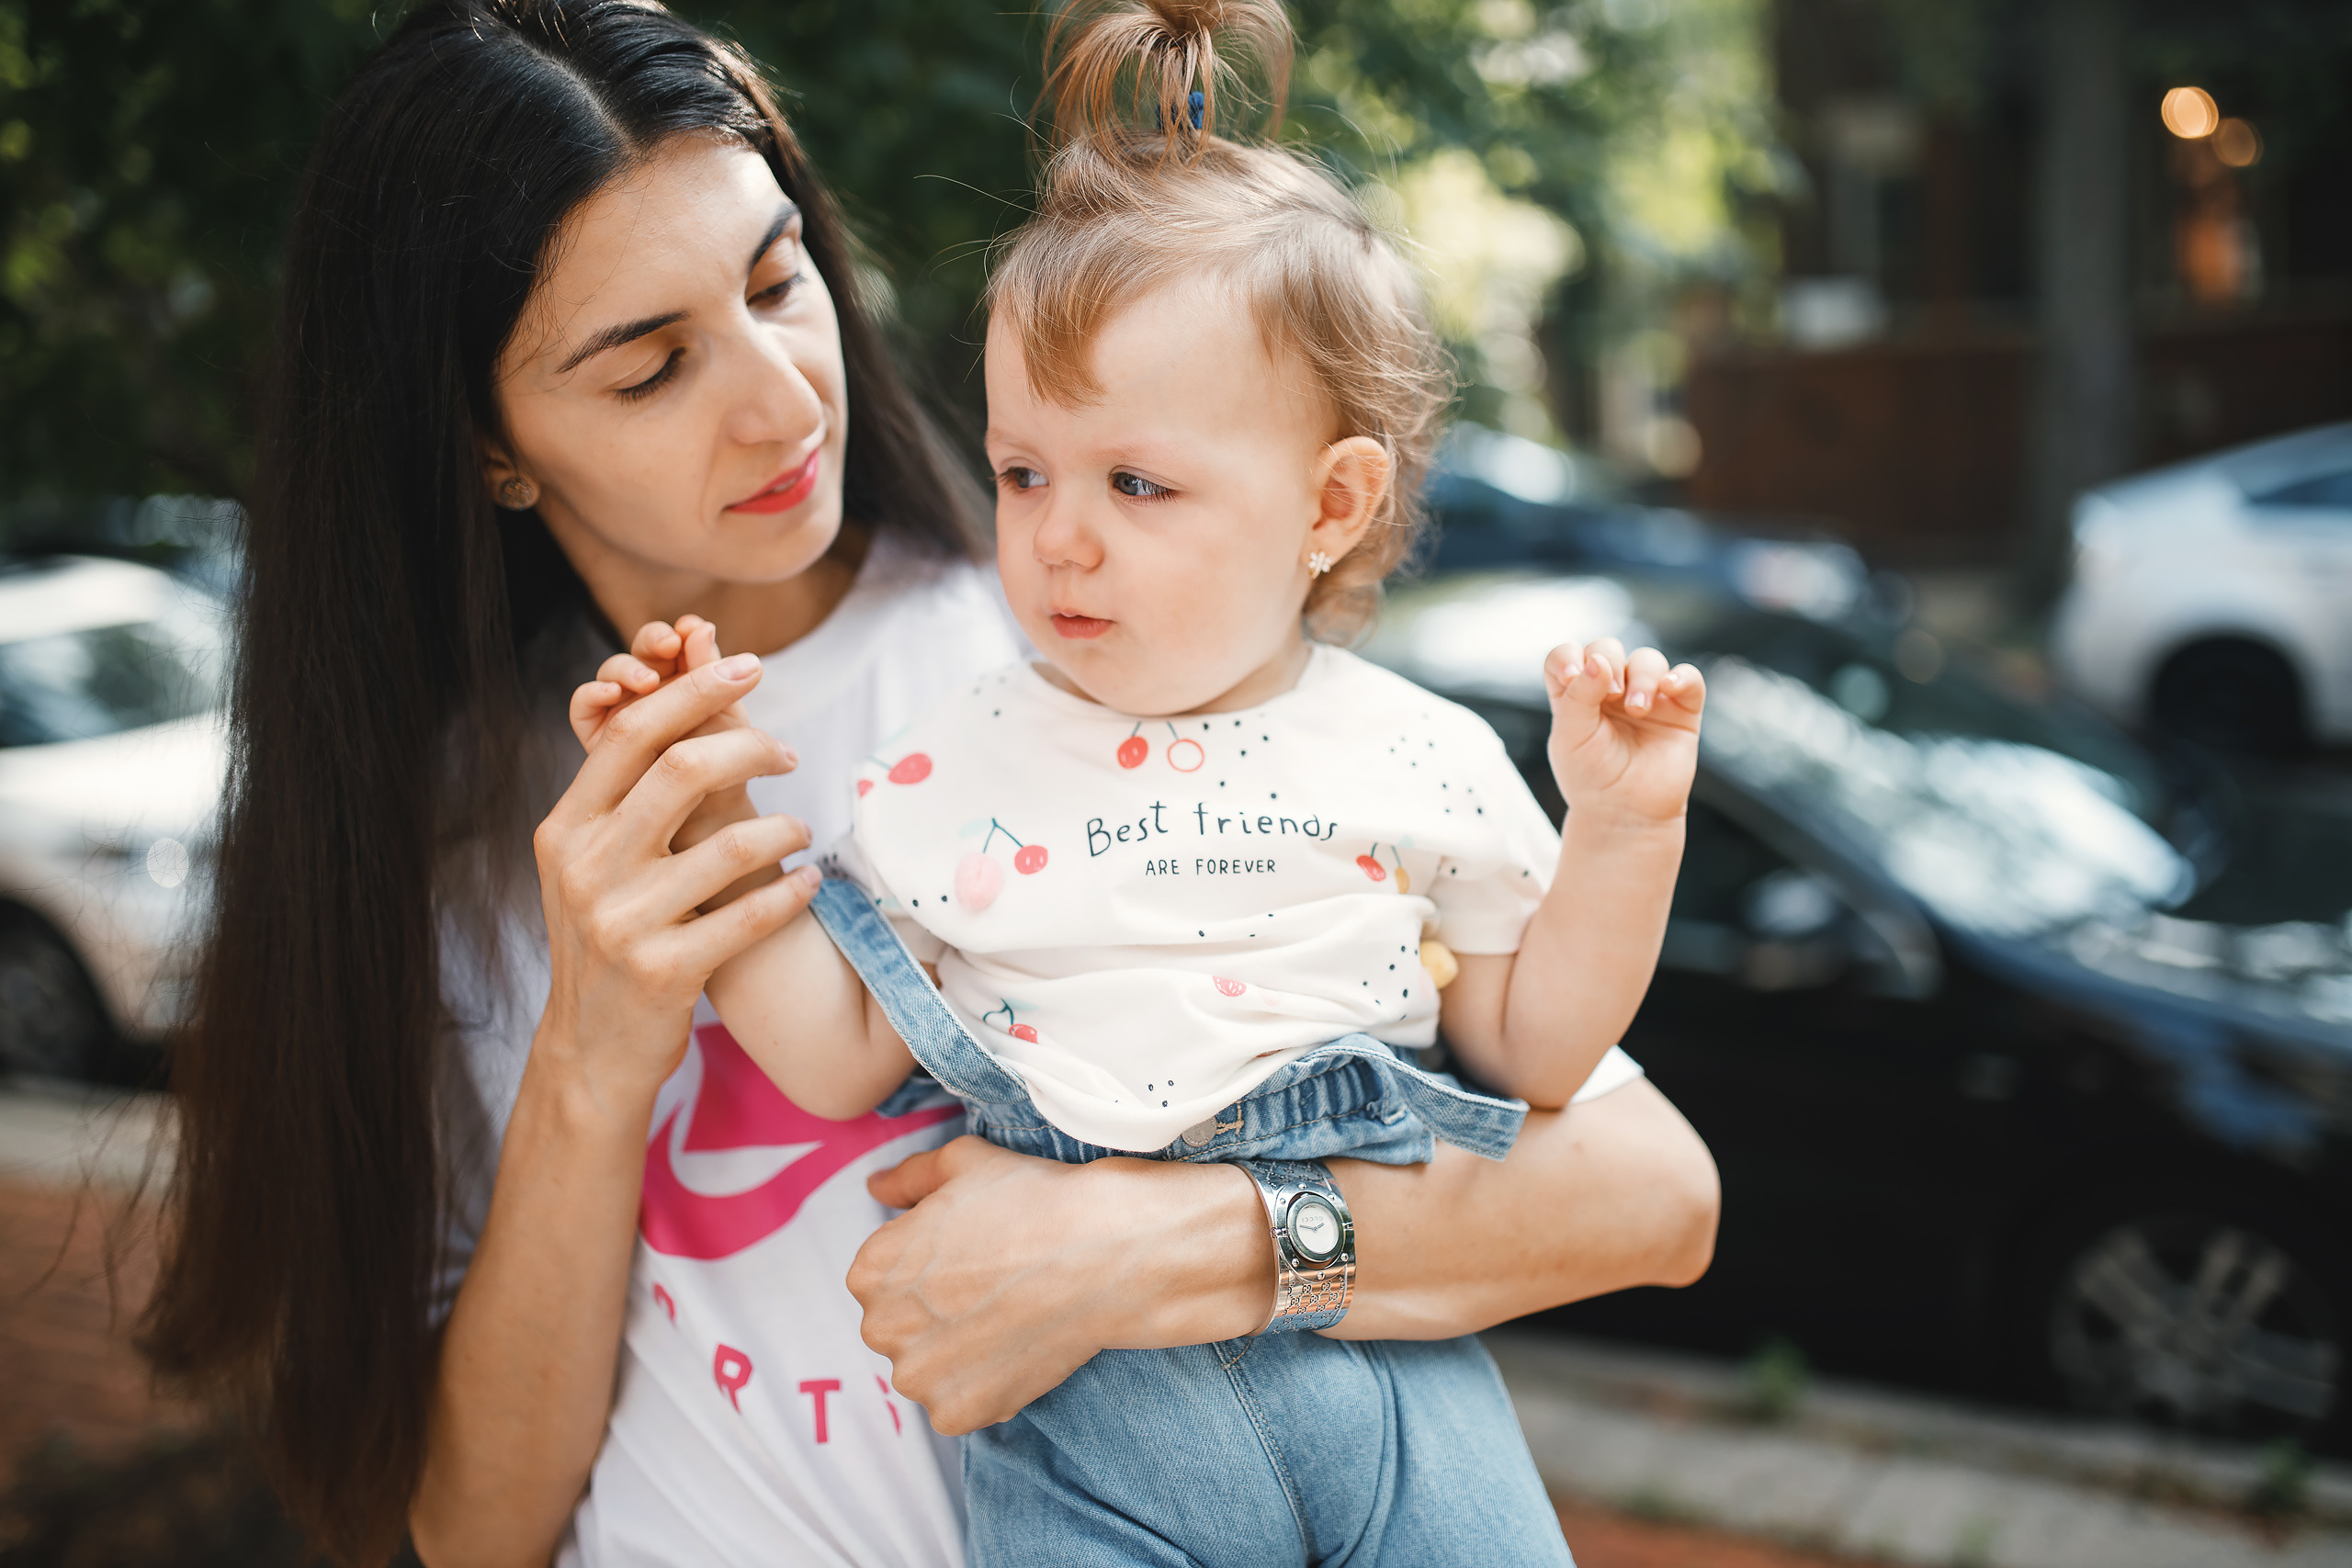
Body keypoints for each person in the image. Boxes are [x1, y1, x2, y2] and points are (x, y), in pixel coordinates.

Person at [140, 3, 1721, 1566]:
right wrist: (592, 1055)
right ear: (487, 440)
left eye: (780, 283)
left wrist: (1165, 1245)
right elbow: (472, 1531)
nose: (781, 399)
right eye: (652, 368)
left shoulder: (1090, 661)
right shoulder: (432, 837)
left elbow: (1654, 1195)